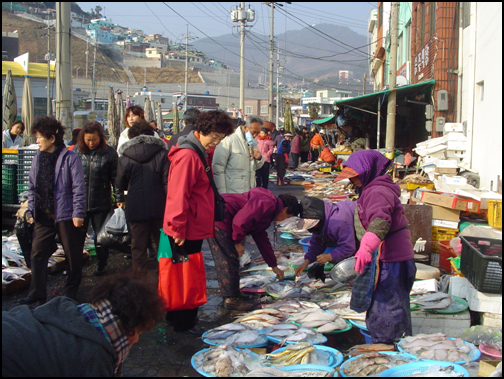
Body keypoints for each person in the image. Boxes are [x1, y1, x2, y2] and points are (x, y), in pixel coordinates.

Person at [2, 273, 163, 377]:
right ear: (128, 326)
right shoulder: (93, 359)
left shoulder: (69, 311)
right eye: (139, 332)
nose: (136, 340)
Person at [333, 150, 416, 344]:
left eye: (355, 177)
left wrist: (366, 246)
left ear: (367, 172)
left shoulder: (378, 191)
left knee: (387, 309)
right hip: (387, 256)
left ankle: (388, 349)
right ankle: (391, 344)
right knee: (389, 306)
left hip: (392, 259)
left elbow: (380, 220)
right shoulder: (371, 188)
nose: (353, 182)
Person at [163, 110, 234, 335]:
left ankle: (176, 317)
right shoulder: (189, 155)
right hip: (185, 229)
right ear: (201, 130)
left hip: (189, 226)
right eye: (214, 136)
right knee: (186, 275)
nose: (216, 142)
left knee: (181, 272)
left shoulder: (199, 152)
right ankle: (184, 323)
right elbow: (178, 194)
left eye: (220, 138)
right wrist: (178, 229)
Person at [18, 116, 86, 306]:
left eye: (40, 137)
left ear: (52, 138)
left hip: (66, 214)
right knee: (37, 253)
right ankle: (37, 293)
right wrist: (31, 209)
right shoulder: (37, 158)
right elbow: (32, 186)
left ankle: (71, 291)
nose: (37, 141)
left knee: (72, 254)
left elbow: (78, 187)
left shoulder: (70, 158)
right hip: (43, 214)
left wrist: (78, 213)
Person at [208, 188, 301, 310]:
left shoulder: (268, 211)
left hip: (222, 216)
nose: (284, 219)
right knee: (228, 259)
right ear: (284, 209)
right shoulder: (266, 203)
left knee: (232, 258)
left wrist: (273, 265)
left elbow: (261, 238)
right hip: (220, 217)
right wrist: (237, 242)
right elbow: (240, 221)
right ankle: (232, 299)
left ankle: (234, 294)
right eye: (287, 216)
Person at [116, 121, 169, 273]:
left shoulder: (125, 156)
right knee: (163, 245)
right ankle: (165, 280)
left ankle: (140, 283)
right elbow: (167, 183)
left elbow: (120, 183)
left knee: (137, 246)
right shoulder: (162, 154)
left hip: (135, 204)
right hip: (160, 205)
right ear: (152, 134)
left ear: (131, 137)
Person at [75, 122, 120, 276]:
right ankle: (74, 266)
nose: (91, 143)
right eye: (88, 140)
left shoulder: (110, 153)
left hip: (101, 201)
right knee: (77, 237)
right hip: (80, 203)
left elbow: (116, 178)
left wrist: (119, 198)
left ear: (100, 138)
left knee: (101, 238)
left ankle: (101, 263)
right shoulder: (77, 152)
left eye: (94, 139)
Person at [294, 197, 356, 275]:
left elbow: (348, 247)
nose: (312, 227)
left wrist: (330, 256)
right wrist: (307, 261)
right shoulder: (320, 224)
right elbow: (317, 243)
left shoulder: (338, 222)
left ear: (319, 218)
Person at [212, 114, 265, 194]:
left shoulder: (253, 143)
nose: (255, 136)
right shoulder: (229, 139)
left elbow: (255, 167)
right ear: (245, 127)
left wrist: (259, 158)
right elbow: (218, 168)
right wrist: (222, 193)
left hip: (248, 191)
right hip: (232, 192)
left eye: (257, 133)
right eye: (253, 132)